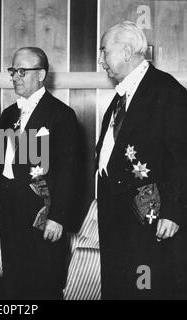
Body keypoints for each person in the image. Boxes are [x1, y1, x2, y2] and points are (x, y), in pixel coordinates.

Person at [96, 21, 187, 299]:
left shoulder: (166, 91)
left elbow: (182, 156)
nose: (101, 61)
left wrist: (173, 211)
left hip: (150, 219)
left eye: (104, 51)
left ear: (126, 51)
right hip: (117, 216)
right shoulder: (121, 96)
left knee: (145, 288)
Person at [0, 47, 80, 299]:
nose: (15, 76)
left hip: (43, 214)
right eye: (13, 70)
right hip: (9, 212)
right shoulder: (7, 115)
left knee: (44, 283)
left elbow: (69, 173)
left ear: (41, 74)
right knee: (14, 283)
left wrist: (58, 217)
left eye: (22, 71)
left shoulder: (62, 115)